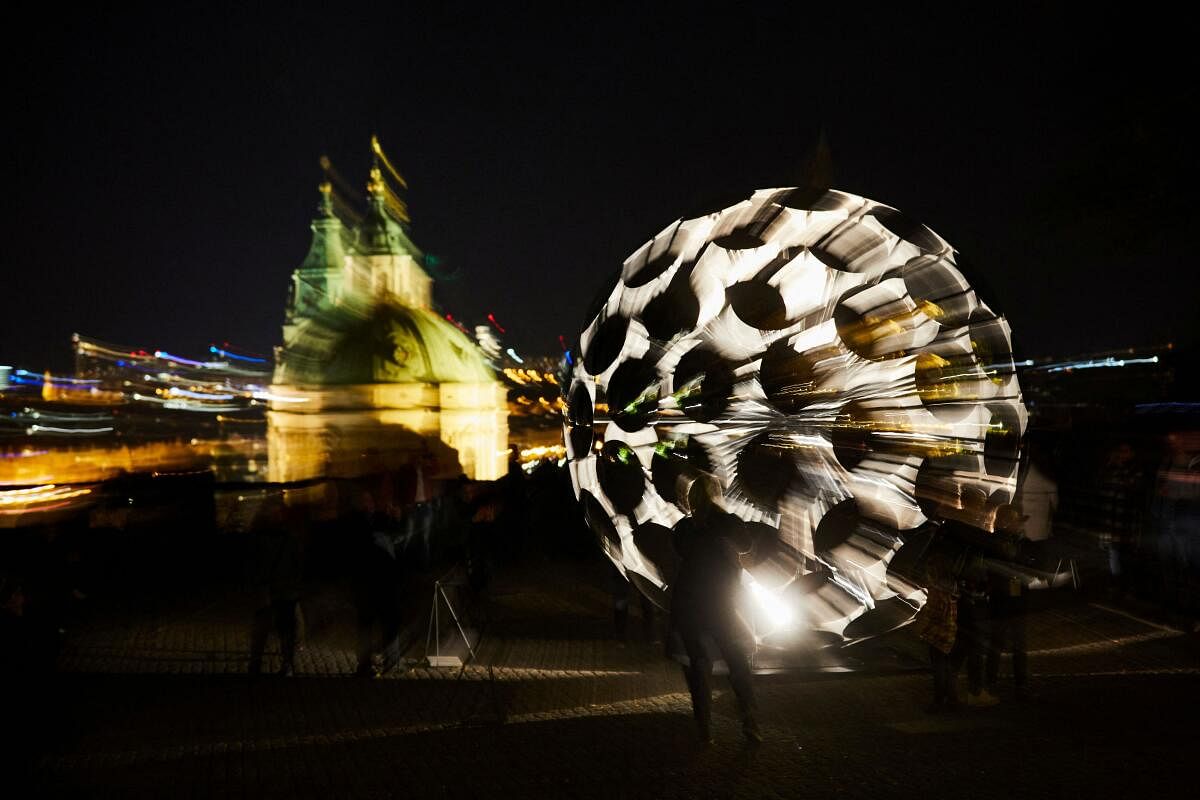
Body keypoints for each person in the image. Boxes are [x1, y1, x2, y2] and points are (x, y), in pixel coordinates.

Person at [669, 476, 761, 745]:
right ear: (717, 494)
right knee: (738, 662)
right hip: (722, 603)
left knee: (699, 664)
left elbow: (679, 553)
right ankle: (749, 720)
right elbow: (747, 546)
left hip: (690, 603)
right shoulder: (729, 523)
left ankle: (703, 725)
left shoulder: (684, 527)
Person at [985, 505, 1032, 699]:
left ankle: (1020, 684)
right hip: (1000, 600)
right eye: (1015, 521)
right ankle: (990, 682)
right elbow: (991, 570)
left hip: (1018, 601)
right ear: (1004, 523)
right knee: (997, 643)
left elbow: (1029, 565)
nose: (1019, 526)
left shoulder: (1022, 543)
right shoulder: (994, 542)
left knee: (1019, 645)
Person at [914, 552, 961, 712]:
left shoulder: (936, 591)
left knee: (939, 669)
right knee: (949, 668)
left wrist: (923, 622)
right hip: (950, 632)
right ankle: (952, 700)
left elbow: (934, 614)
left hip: (938, 634)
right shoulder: (951, 587)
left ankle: (939, 701)